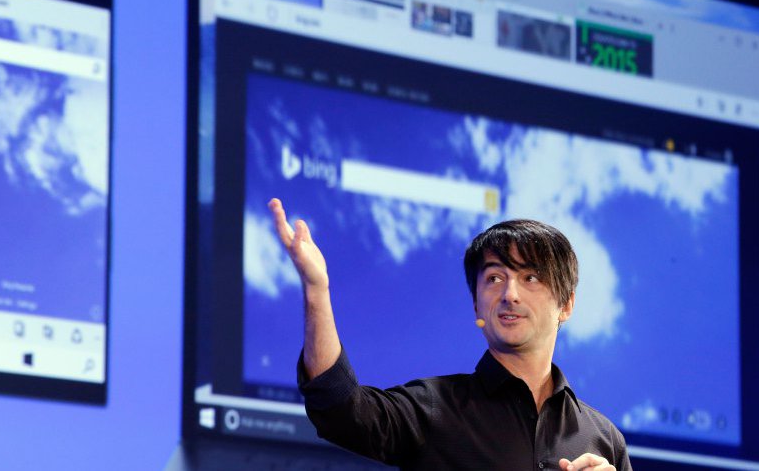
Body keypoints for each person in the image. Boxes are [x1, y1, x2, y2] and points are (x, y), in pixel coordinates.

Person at [268, 198, 632, 471]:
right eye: (494, 278)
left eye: (530, 277)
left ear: (566, 305)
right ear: (477, 306)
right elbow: (341, 409)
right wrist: (316, 290)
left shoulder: (604, 439)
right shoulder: (433, 408)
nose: (510, 294)